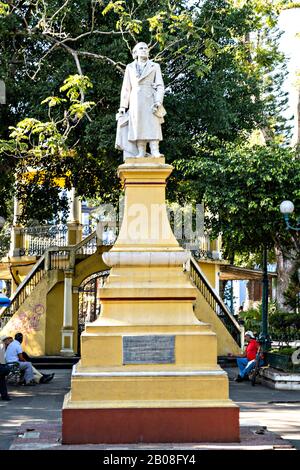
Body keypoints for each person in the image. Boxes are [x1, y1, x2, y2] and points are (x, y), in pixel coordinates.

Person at [116, 42, 166, 159]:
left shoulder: (155, 66)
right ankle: (141, 151)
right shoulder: (130, 67)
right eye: (141, 48)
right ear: (135, 52)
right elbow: (126, 88)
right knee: (138, 125)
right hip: (135, 101)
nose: (144, 50)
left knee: (152, 124)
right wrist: (123, 107)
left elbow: (160, 86)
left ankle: (155, 150)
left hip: (150, 99)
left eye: (146, 48)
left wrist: (158, 101)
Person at [0, 336, 11, 400]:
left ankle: (5, 396)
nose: (9, 341)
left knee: (2, 381)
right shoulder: (2, 346)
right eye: (8, 339)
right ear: (5, 340)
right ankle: (4, 396)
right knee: (2, 381)